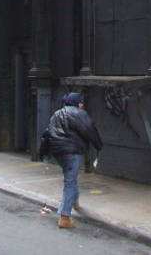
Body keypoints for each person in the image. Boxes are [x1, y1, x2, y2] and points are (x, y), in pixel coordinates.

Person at [43, 92, 102, 229]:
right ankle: (64, 216)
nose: (82, 104)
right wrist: (98, 145)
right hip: (72, 151)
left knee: (71, 177)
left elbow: (47, 132)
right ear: (77, 103)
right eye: (81, 102)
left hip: (58, 152)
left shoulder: (57, 113)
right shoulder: (79, 113)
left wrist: (44, 151)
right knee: (70, 181)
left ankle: (74, 202)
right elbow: (89, 130)